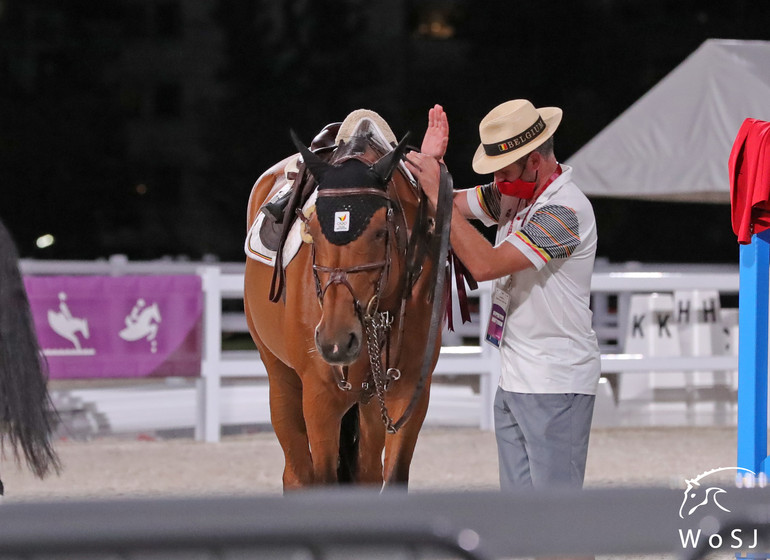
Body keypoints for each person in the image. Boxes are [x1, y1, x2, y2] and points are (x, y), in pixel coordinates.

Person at [406, 100, 601, 491]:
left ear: (533, 161)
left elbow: (485, 265)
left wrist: (438, 194)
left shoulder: (565, 209)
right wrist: (434, 170)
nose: (498, 179)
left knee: (558, 529)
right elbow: (453, 203)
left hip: (554, 382)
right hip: (516, 378)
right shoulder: (515, 194)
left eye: (505, 170)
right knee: (522, 521)